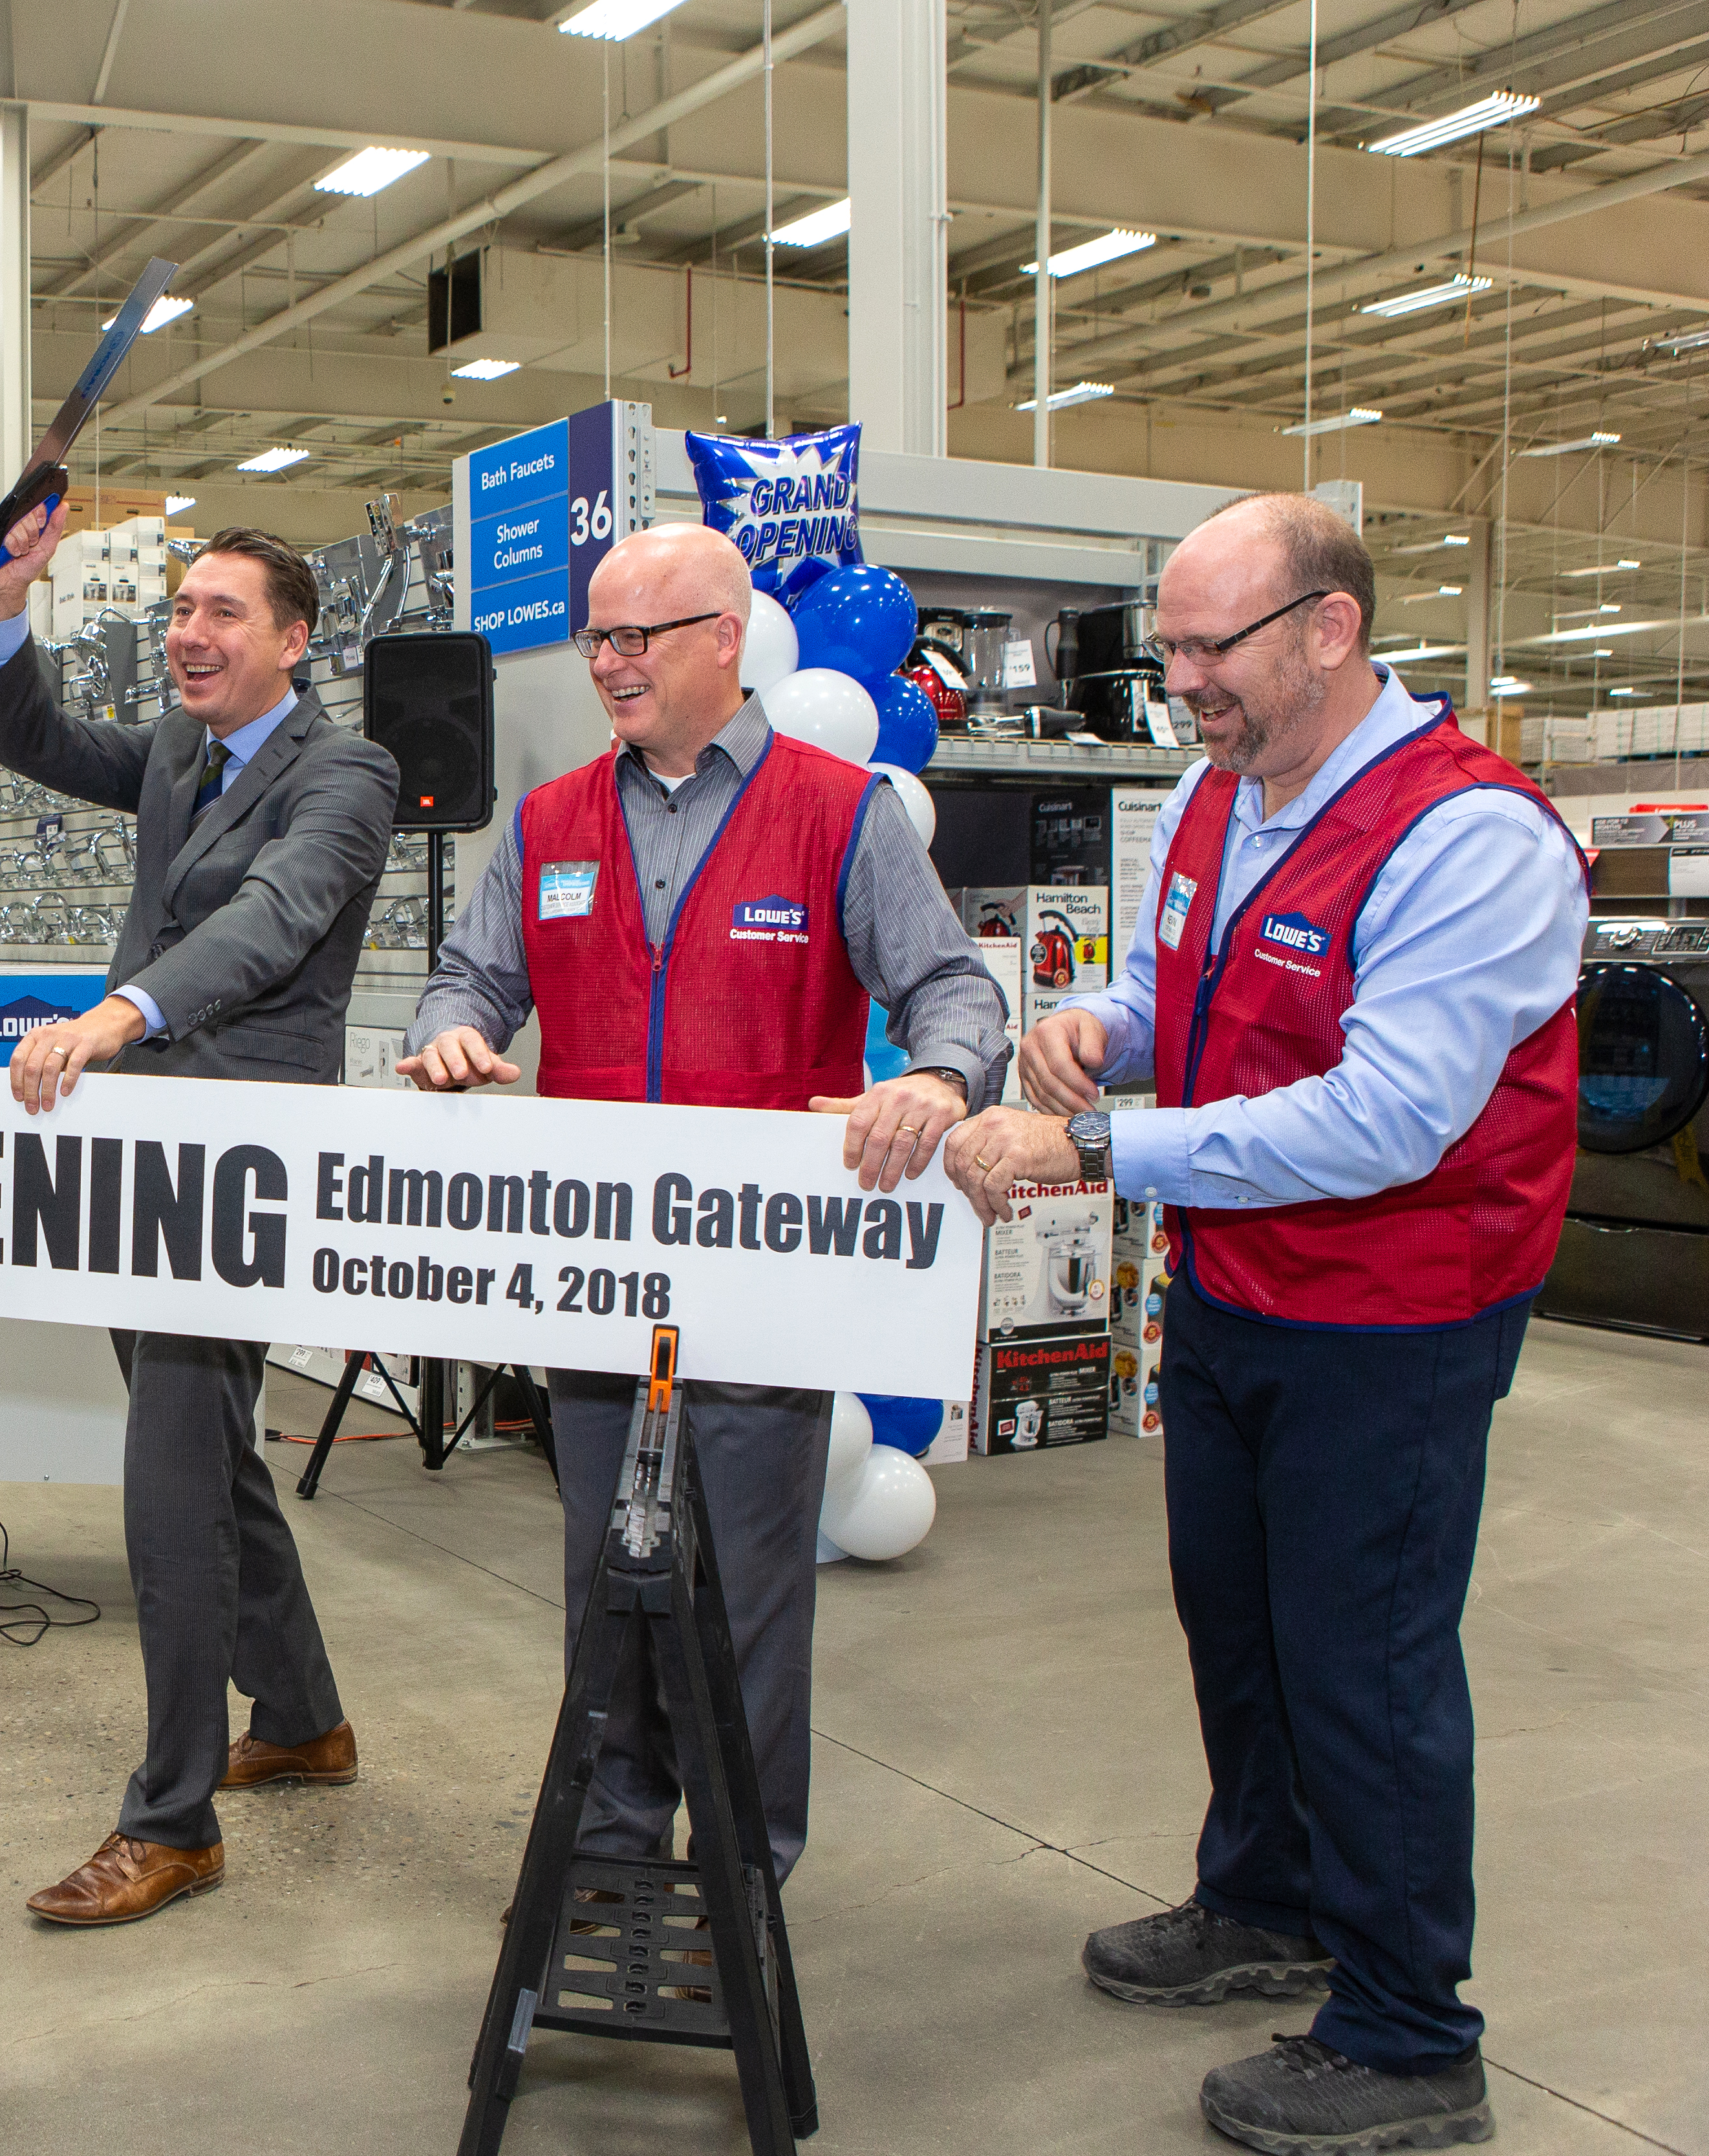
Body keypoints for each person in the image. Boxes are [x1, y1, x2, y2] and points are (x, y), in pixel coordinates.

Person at [941, 493, 1584, 2156]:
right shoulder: (1216, 796)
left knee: (1362, 1663)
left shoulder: (1469, 837)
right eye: (1167, 649)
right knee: (1235, 1621)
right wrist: (1104, 1026)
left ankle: (1409, 2034)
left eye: (1206, 649)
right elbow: (1196, 996)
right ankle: (1266, 1896)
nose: (1178, 685)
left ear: (1328, 629)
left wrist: (1094, 1146)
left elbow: (1388, 1117)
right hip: (1235, 1287)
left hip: (1398, 1313)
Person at [395, 521, 1006, 1893]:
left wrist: (940, 1077)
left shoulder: (838, 812)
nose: (607, 663)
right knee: (603, 1582)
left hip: (762, 1279)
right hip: (594, 1271)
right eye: (595, 638)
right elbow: (469, 979)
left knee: (743, 1590)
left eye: (636, 637)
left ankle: (739, 1876)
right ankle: (609, 1853)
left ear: (725, 640)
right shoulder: (547, 823)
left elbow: (952, 988)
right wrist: (450, 1034)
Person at [0, 501, 400, 1929]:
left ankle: (172, 1819)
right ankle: (305, 1716)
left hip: (236, 1170)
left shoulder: (346, 773)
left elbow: (269, 921)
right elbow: (34, 738)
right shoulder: (176, 750)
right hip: (142, 1158)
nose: (186, 634)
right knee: (209, 1455)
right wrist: (4, 609)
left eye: (221, 612)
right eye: (178, 609)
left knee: (168, 1486)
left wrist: (120, 1013)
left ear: (294, 638)